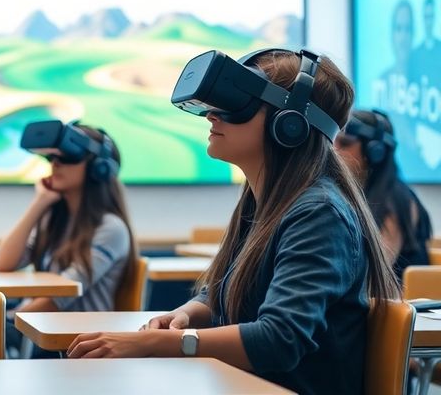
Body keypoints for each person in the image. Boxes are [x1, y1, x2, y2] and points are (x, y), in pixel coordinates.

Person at [67, 48, 399, 395]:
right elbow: (230, 288)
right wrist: (187, 314)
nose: (212, 115)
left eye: (235, 106)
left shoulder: (319, 213)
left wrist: (155, 344)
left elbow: (279, 338)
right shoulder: (266, 202)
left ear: (290, 123)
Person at [0, 121, 136, 357]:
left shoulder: (110, 228)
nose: (56, 165)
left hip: (77, 345)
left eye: (68, 158)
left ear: (99, 168)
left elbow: (60, 298)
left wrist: (5, 321)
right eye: (51, 159)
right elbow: (4, 263)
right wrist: (38, 204)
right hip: (39, 330)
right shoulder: (55, 219)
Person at [335, 109, 432, 278]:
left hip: (400, 301)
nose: (334, 151)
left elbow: (375, 270)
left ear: (374, 153)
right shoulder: (353, 194)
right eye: (333, 143)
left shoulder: (397, 201)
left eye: (344, 144)